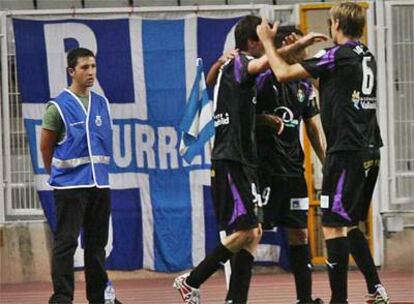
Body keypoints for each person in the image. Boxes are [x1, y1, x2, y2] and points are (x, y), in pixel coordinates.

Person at [256, 2, 389, 304]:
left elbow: (281, 71)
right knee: (348, 222)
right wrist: (305, 58)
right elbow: (329, 85)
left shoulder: (336, 55)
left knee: (332, 226)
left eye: (331, 21)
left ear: (338, 24)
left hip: (347, 151)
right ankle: (376, 288)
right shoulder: (365, 56)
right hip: (370, 151)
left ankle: (338, 300)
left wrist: (267, 41)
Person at [173, 15, 270, 304]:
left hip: (245, 161)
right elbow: (265, 63)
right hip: (230, 158)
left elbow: (216, 79)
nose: (267, 45)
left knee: (255, 232)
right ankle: (191, 281)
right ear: (252, 41)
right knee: (246, 230)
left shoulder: (233, 65)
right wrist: (286, 47)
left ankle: (235, 299)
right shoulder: (240, 62)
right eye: (263, 39)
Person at [40, 47, 121, 304]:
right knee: (66, 244)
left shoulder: (101, 102)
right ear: (71, 71)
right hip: (70, 186)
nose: (90, 72)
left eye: (93, 66)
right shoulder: (58, 106)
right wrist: (54, 172)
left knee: (97, 246)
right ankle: (62, 298)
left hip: (99, 183)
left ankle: (99, 298)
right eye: (84, 67)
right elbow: (46, 145)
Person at [255, 25, 326, 304]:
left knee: (299, 233)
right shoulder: (263, 79)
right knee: (251, 233)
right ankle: (234, 294)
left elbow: (311, 126)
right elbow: (244, 114)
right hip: (265, 171)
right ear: (284, 46)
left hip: (294, 172)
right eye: (296, 45)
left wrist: (323, 160)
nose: (301, 50)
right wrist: (265, 120)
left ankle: (304, 299)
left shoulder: (303, 84)